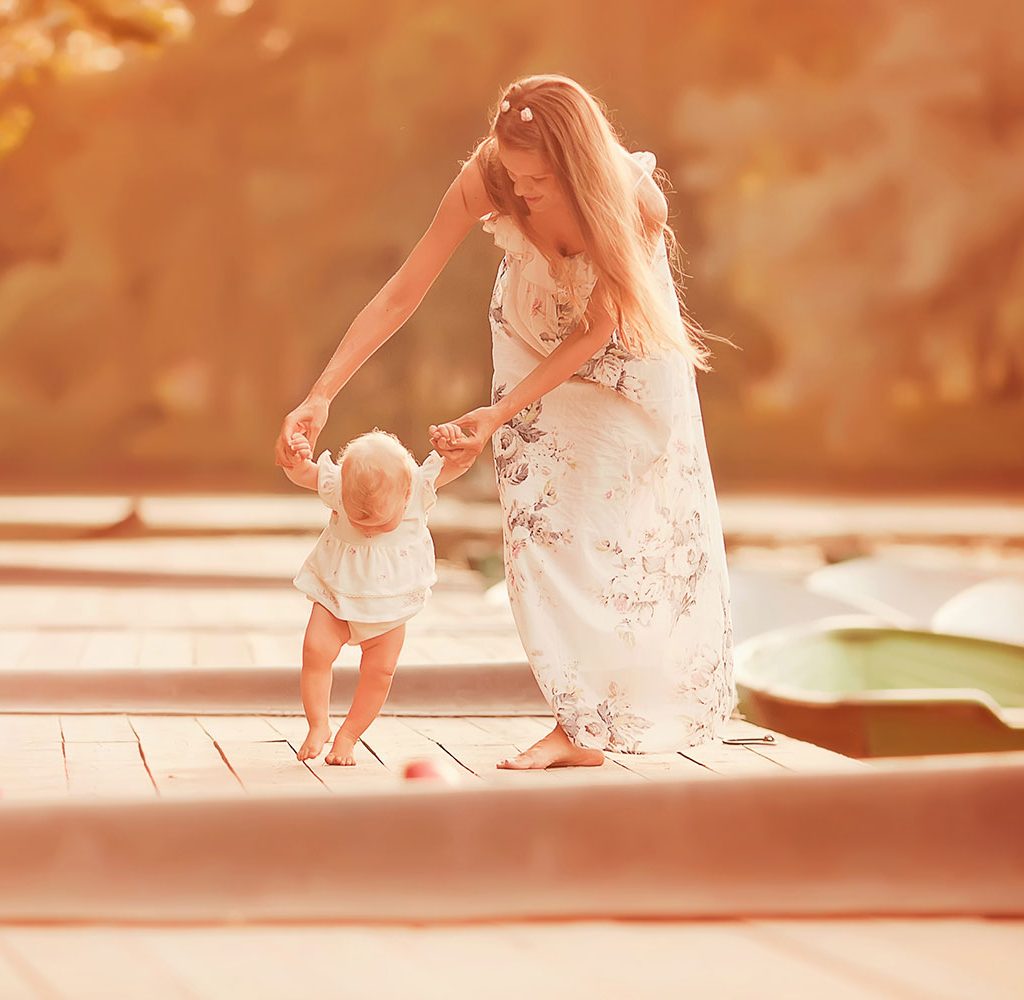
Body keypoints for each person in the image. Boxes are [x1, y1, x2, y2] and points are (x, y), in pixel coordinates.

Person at [276, 74, 736, 770]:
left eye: (540, 180)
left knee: (620, 531)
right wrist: (322, 392)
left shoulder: (634, 202)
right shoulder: (488, 179)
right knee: (539, 524)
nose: (521, 195)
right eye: (515, 177)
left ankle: (613, 705)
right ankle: (575, 724)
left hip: (621, 352)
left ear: (579, 166)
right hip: (528, 331)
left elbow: (595, 330)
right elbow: (403, 293)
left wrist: (499, 410)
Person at [282, 427, 466, 764]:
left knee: (380, 672)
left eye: (380, 523)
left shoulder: (419, 488)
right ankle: (318, 723)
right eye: (358, 519)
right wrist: (294, 457)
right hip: (336, 593)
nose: (367, 528)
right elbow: (303, 473)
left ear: (407, 490)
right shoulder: (340, 485)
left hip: (390, 603)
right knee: (314, 651)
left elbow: (458, 464)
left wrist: (455, 447)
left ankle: (349, 735)